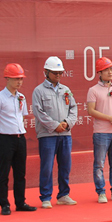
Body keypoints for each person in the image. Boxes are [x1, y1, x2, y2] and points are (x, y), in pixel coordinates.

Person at [0, 63, 37, 215]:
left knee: (20, 173)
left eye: (21, 79)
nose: (19, 82)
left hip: (20, 138)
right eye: (16, 79)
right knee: (4, 173)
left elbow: (22, 116)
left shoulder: (21, 97)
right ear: (7, 78)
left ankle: (20, 202)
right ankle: (4, 204)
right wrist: (3, 132)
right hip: (5, 139)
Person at [32, 56, 78, 209]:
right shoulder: (39, 91)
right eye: (55, 73)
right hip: (47, 135)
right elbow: (38, 112)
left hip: (65, 134)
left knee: (65, 165)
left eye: (60, 73)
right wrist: (54, 125)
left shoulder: (66, 90)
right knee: (47, 166)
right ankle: (46, 197)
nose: (58, 75)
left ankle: (63, 195)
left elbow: (73, 108)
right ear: (46, 72)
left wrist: (67, 122)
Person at [86, 57, 112, 203]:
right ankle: (101, 192)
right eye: (106, 70)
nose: (110, 72)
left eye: (111, 69)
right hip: (101, 132)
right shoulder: (93, 90)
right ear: (99, 72)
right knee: (99, 164)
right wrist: (110, 118)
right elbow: (91, 110)